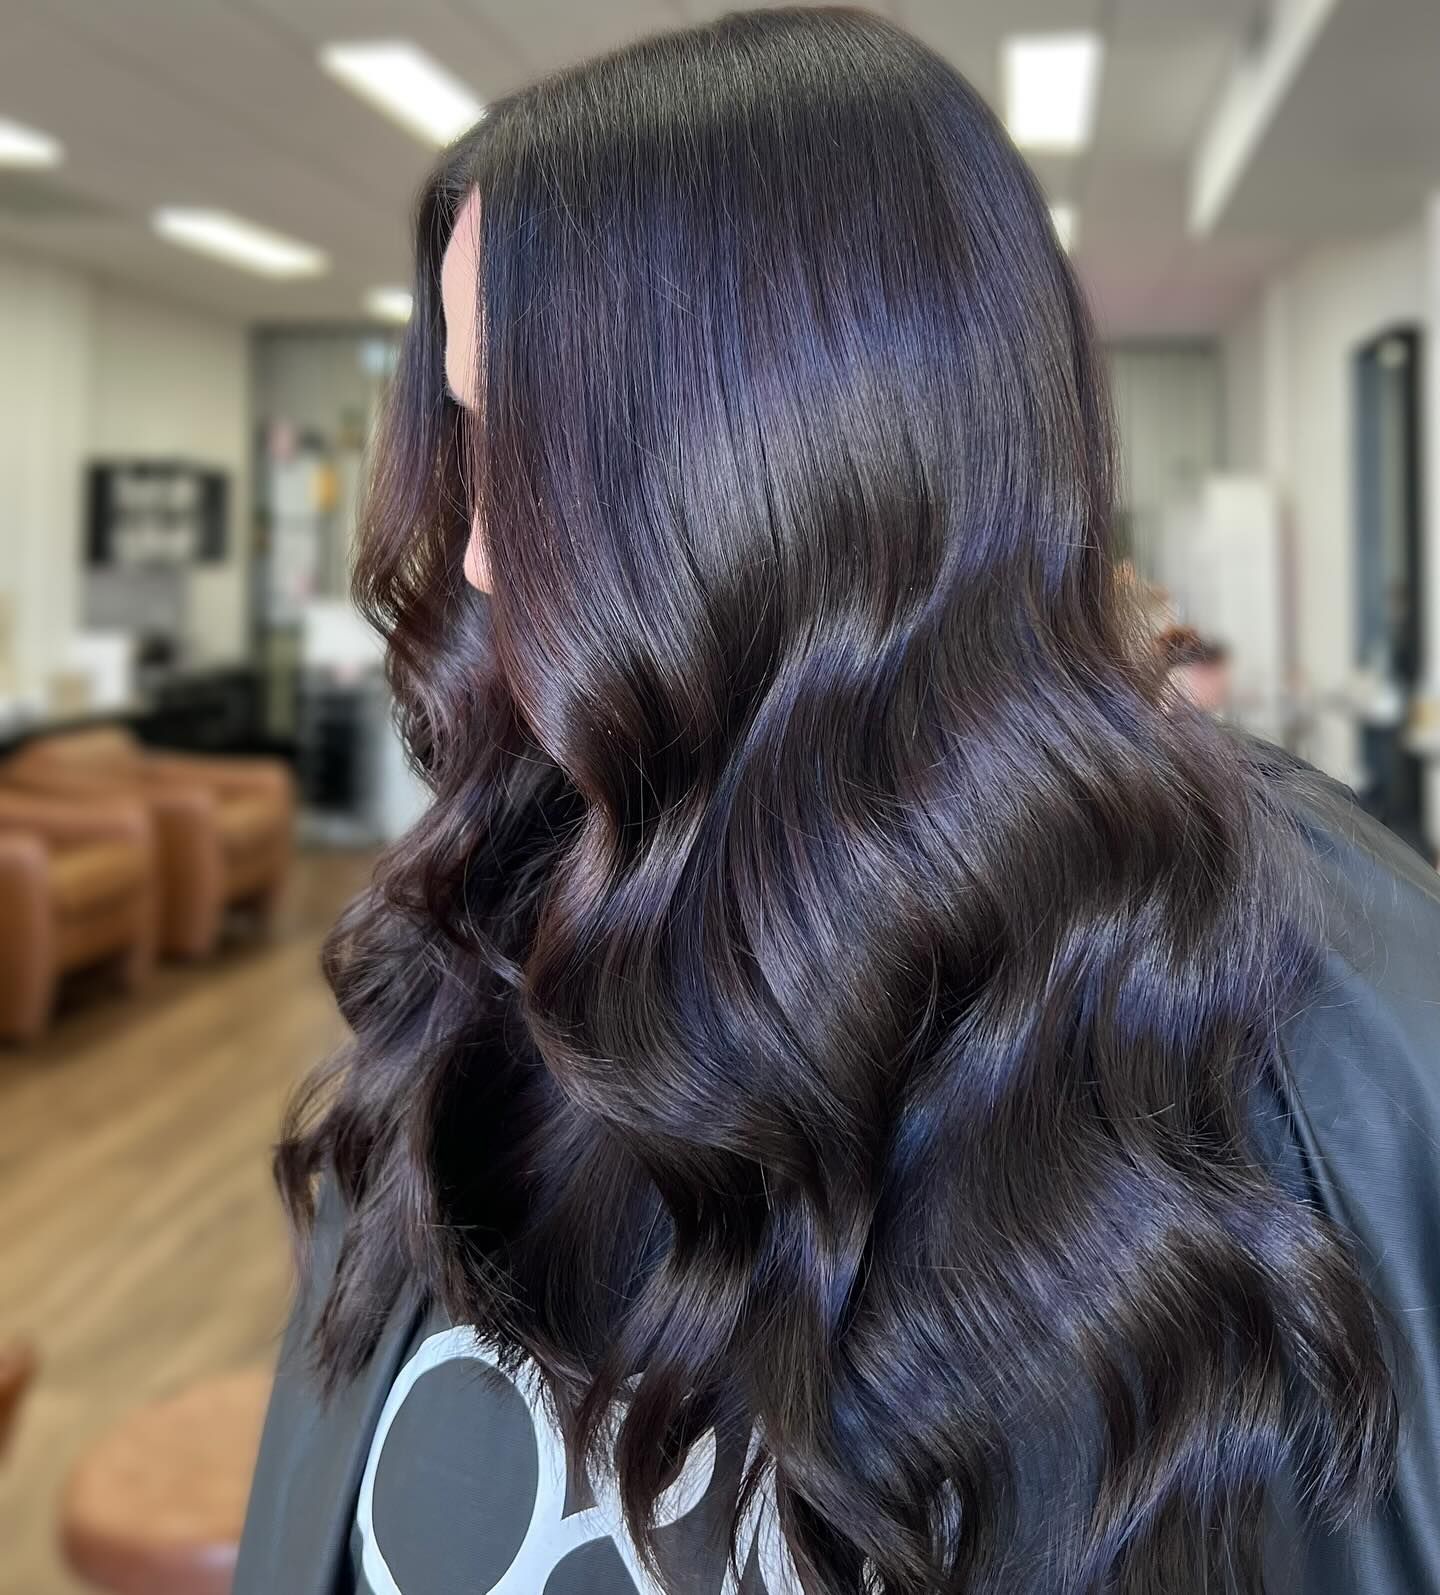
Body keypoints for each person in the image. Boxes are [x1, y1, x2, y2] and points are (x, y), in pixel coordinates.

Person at [235, 11, 1440, 1595]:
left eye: (526, 442)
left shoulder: (1311, 1020)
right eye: (463, 439)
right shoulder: (517, 896)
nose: (466, 549)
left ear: (771, 450)